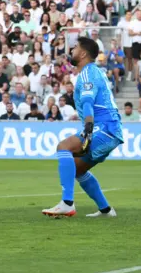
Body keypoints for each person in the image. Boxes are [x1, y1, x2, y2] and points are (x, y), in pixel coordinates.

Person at [42, 37, 123, 218]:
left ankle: (67, 203)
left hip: (104, 127)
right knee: (77, 169)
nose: (72, 49)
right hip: (111, 130)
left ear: (84, 53)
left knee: (63, 147)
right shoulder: (95, 72)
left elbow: (88, 101)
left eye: (76, 47)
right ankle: (106, 210)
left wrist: (88, 125)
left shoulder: (88, 72)